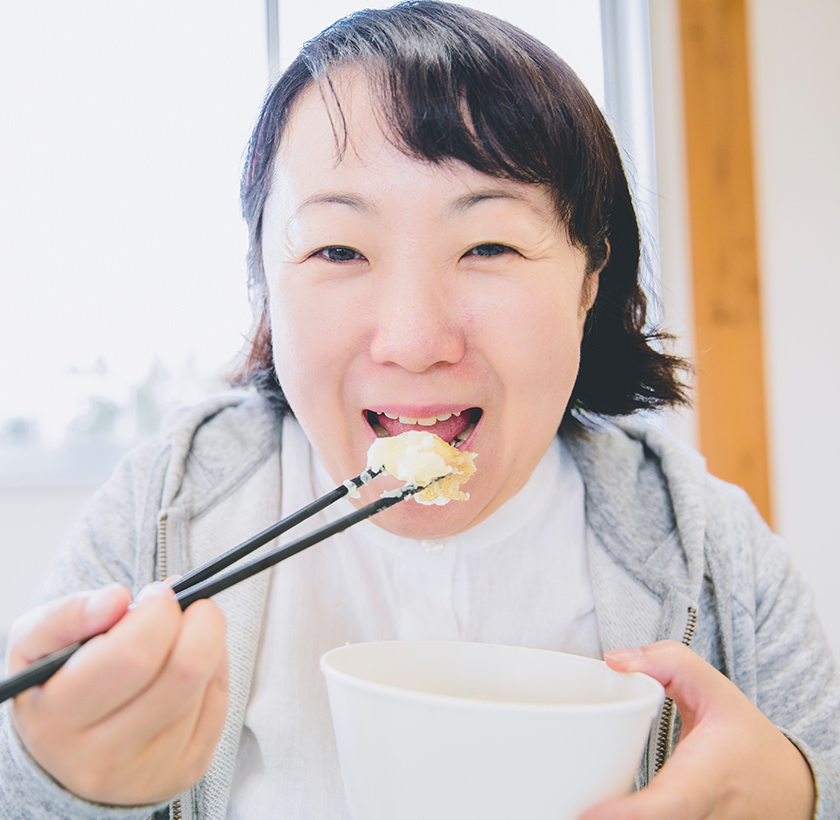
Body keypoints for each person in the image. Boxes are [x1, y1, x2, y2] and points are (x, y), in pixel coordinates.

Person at [1, 3, 837, 818]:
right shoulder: (164, 512)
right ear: (264, 280)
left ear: (589, 279)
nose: (412, 340)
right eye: (338, 249)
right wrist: (58, 783)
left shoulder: (710, 549)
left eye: (489, 246)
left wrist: (798, 798)